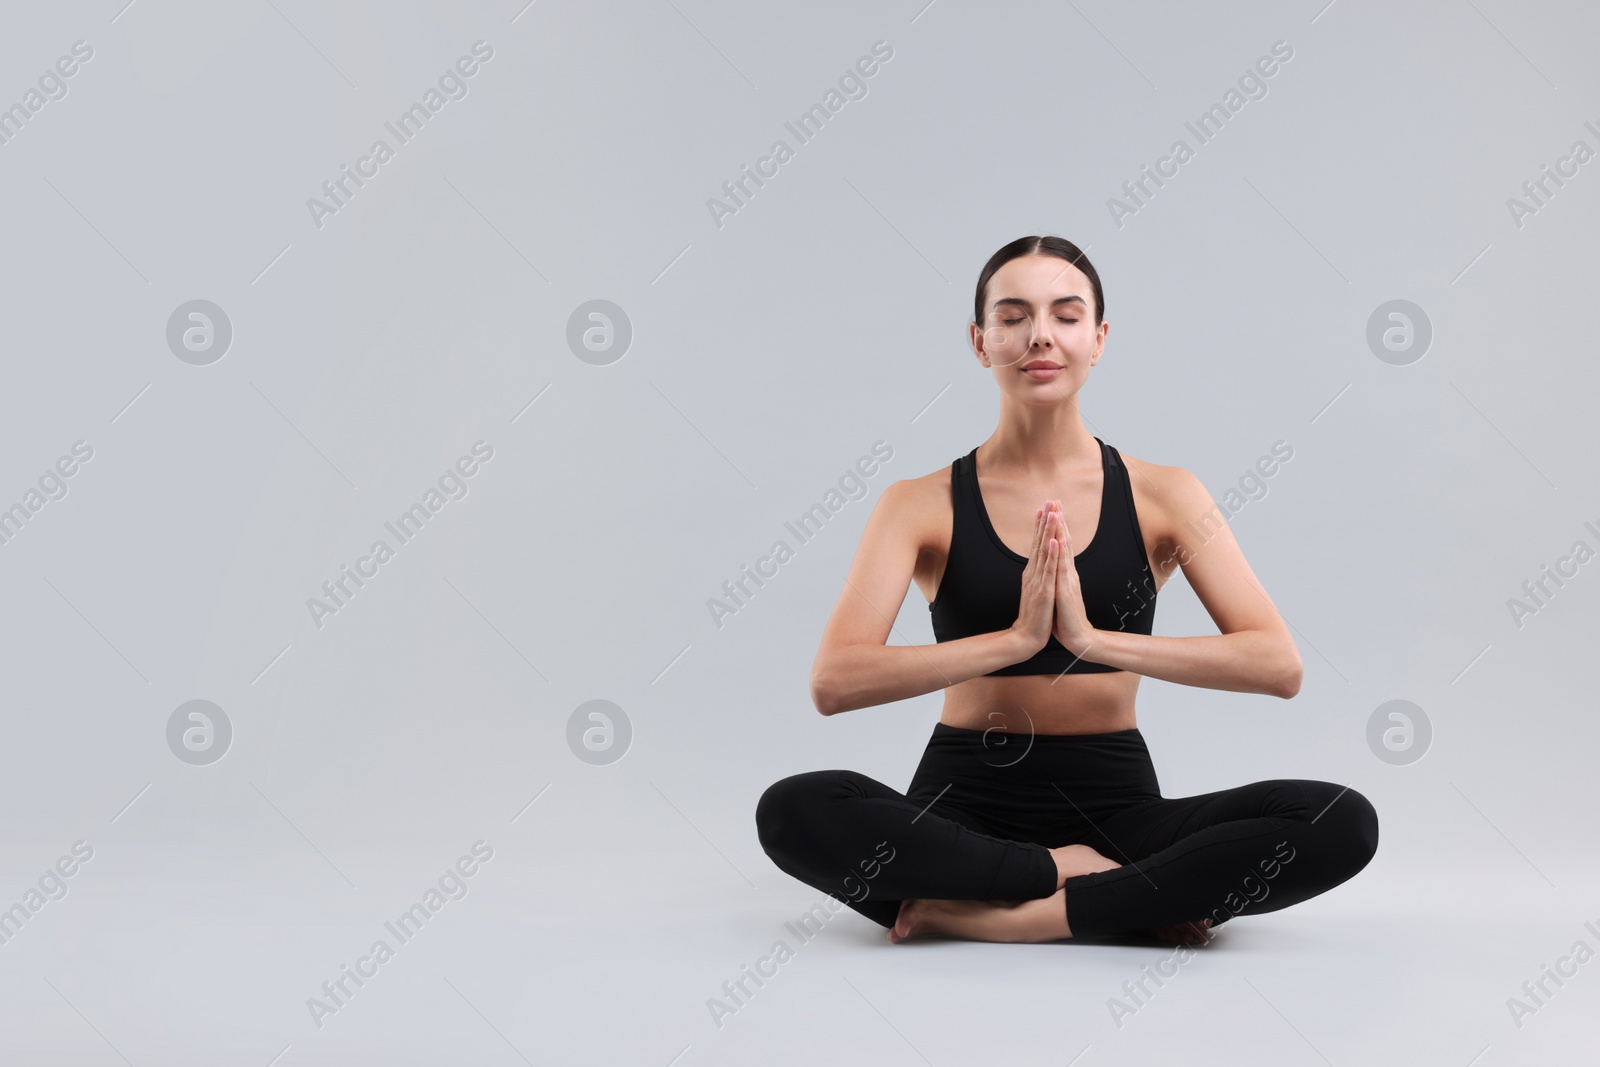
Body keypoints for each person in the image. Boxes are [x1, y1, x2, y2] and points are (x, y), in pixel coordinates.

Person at [754, 236, 1378, 945]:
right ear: (979, 340)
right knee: (794, 808)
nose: (1040, 335)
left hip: (1117, 809)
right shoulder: (917, 503)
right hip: (964, 802)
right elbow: (835, 681)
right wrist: (1015, 640)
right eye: (1013, 316)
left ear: (1099, 339)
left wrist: (1090, 640)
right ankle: (1097, 889)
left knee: (1342, 820)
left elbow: (1277, 664)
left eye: (1066, 315)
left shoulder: (1164, 494)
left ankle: (994, 910)